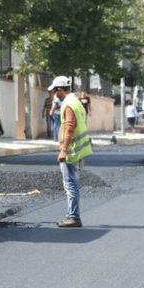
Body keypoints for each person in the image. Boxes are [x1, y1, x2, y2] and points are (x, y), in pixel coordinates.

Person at [49, 75, 93, 228]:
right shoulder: (76, 102)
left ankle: (73, 217)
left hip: (72, 151)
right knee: (73, 182)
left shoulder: (68, 104)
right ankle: (72, 215)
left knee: (71, 184)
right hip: (79, 149)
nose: (55, 94)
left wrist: (63, 150)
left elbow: (69, 128)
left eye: (55, 91)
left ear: (60, 90)